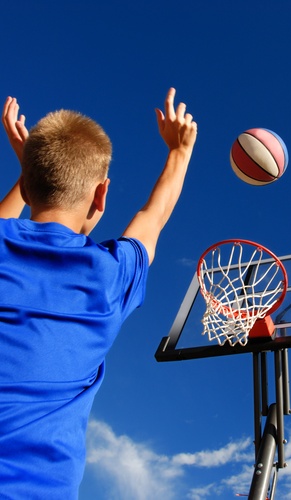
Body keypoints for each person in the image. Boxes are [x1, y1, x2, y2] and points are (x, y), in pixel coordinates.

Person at [0, 89, 197, 498]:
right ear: (101, 194)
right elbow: (152, 216)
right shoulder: (109, 276)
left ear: (29, 184)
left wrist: (29, 172)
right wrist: (179, 151)